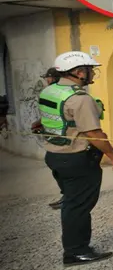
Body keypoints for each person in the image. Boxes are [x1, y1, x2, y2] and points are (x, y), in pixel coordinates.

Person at [39, 51, 113, 266]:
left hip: (55, 156)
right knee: (78, 206)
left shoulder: (51, 90)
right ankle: (76, 252)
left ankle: (74, 248)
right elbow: (94, 134)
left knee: (71, 203)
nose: (93, 73)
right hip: (77, 158)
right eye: (90, 69)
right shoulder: (80, 99)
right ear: (79, 72)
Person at [33, 68, 65, 209]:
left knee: (62, 168)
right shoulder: (52, 92)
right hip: (54, 138)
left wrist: (39, 123)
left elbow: (59, 113)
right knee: (55, 166)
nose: (46, 81)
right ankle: (67, 195)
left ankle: (69, 197)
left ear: (53, 78)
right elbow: (50, 113)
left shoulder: (57, 93)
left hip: (63, 139)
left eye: (48, 78)